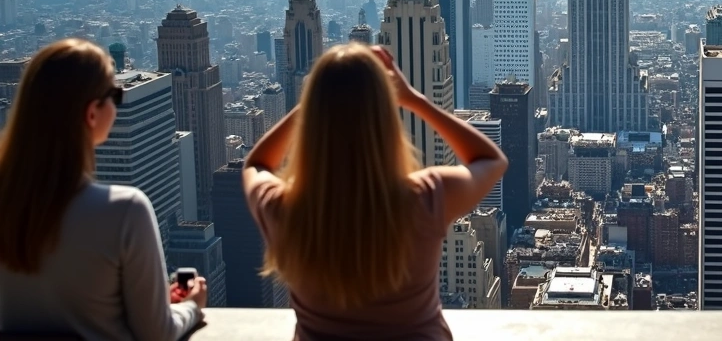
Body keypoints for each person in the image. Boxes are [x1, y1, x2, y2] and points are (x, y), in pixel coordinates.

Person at [243, 43, 507, 340]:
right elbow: (491, 161)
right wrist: (414, 99)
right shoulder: (426, 198)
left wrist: (316, 101)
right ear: (385, 117)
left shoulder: (284, 209)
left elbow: (256, 164)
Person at [0, 39, 206, 340]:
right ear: (91, 114)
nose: (117, 103)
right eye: (114, 95)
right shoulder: (124, 211)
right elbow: (157, 333)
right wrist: (191, 306)